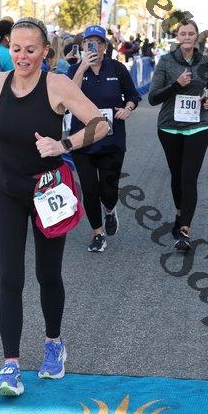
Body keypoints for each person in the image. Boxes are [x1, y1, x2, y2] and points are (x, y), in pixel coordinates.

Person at [0, 17, 108, 397]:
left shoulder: (57, 85)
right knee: (10, 278)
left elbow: (100, 124)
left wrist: (64, 145)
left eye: (30, 49)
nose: (22, 56)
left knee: (47, 274)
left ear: (46, 51)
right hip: (7, 190)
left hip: (48, 191)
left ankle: (53, 344)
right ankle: (10, 365)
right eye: (16, 48)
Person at [148, 19, 208, 251]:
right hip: (169, 127)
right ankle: (180, 213)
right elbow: (153, 97)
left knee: (189, 177)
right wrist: (176, 85)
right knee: (177, 175)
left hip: (199, 125)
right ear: (177, 37)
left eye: (191, 33)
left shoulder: (205, 61)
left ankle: (184, 231)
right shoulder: (166, 61)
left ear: (196, 36)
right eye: (183, 33)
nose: (187, 37)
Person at [67, 25, 140, 253]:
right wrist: (82, 67)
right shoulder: (74, 70)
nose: (94, 47)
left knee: (108, 190)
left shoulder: (117, 68)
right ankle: (97, 233)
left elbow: (133, 95)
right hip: (83, 140)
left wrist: (128, 108)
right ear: (82, 46)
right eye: (89, 43)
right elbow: (69, 97)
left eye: (98, 43)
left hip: (111, 139)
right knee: (89, 189)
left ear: (105, 46)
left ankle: (109, 209)